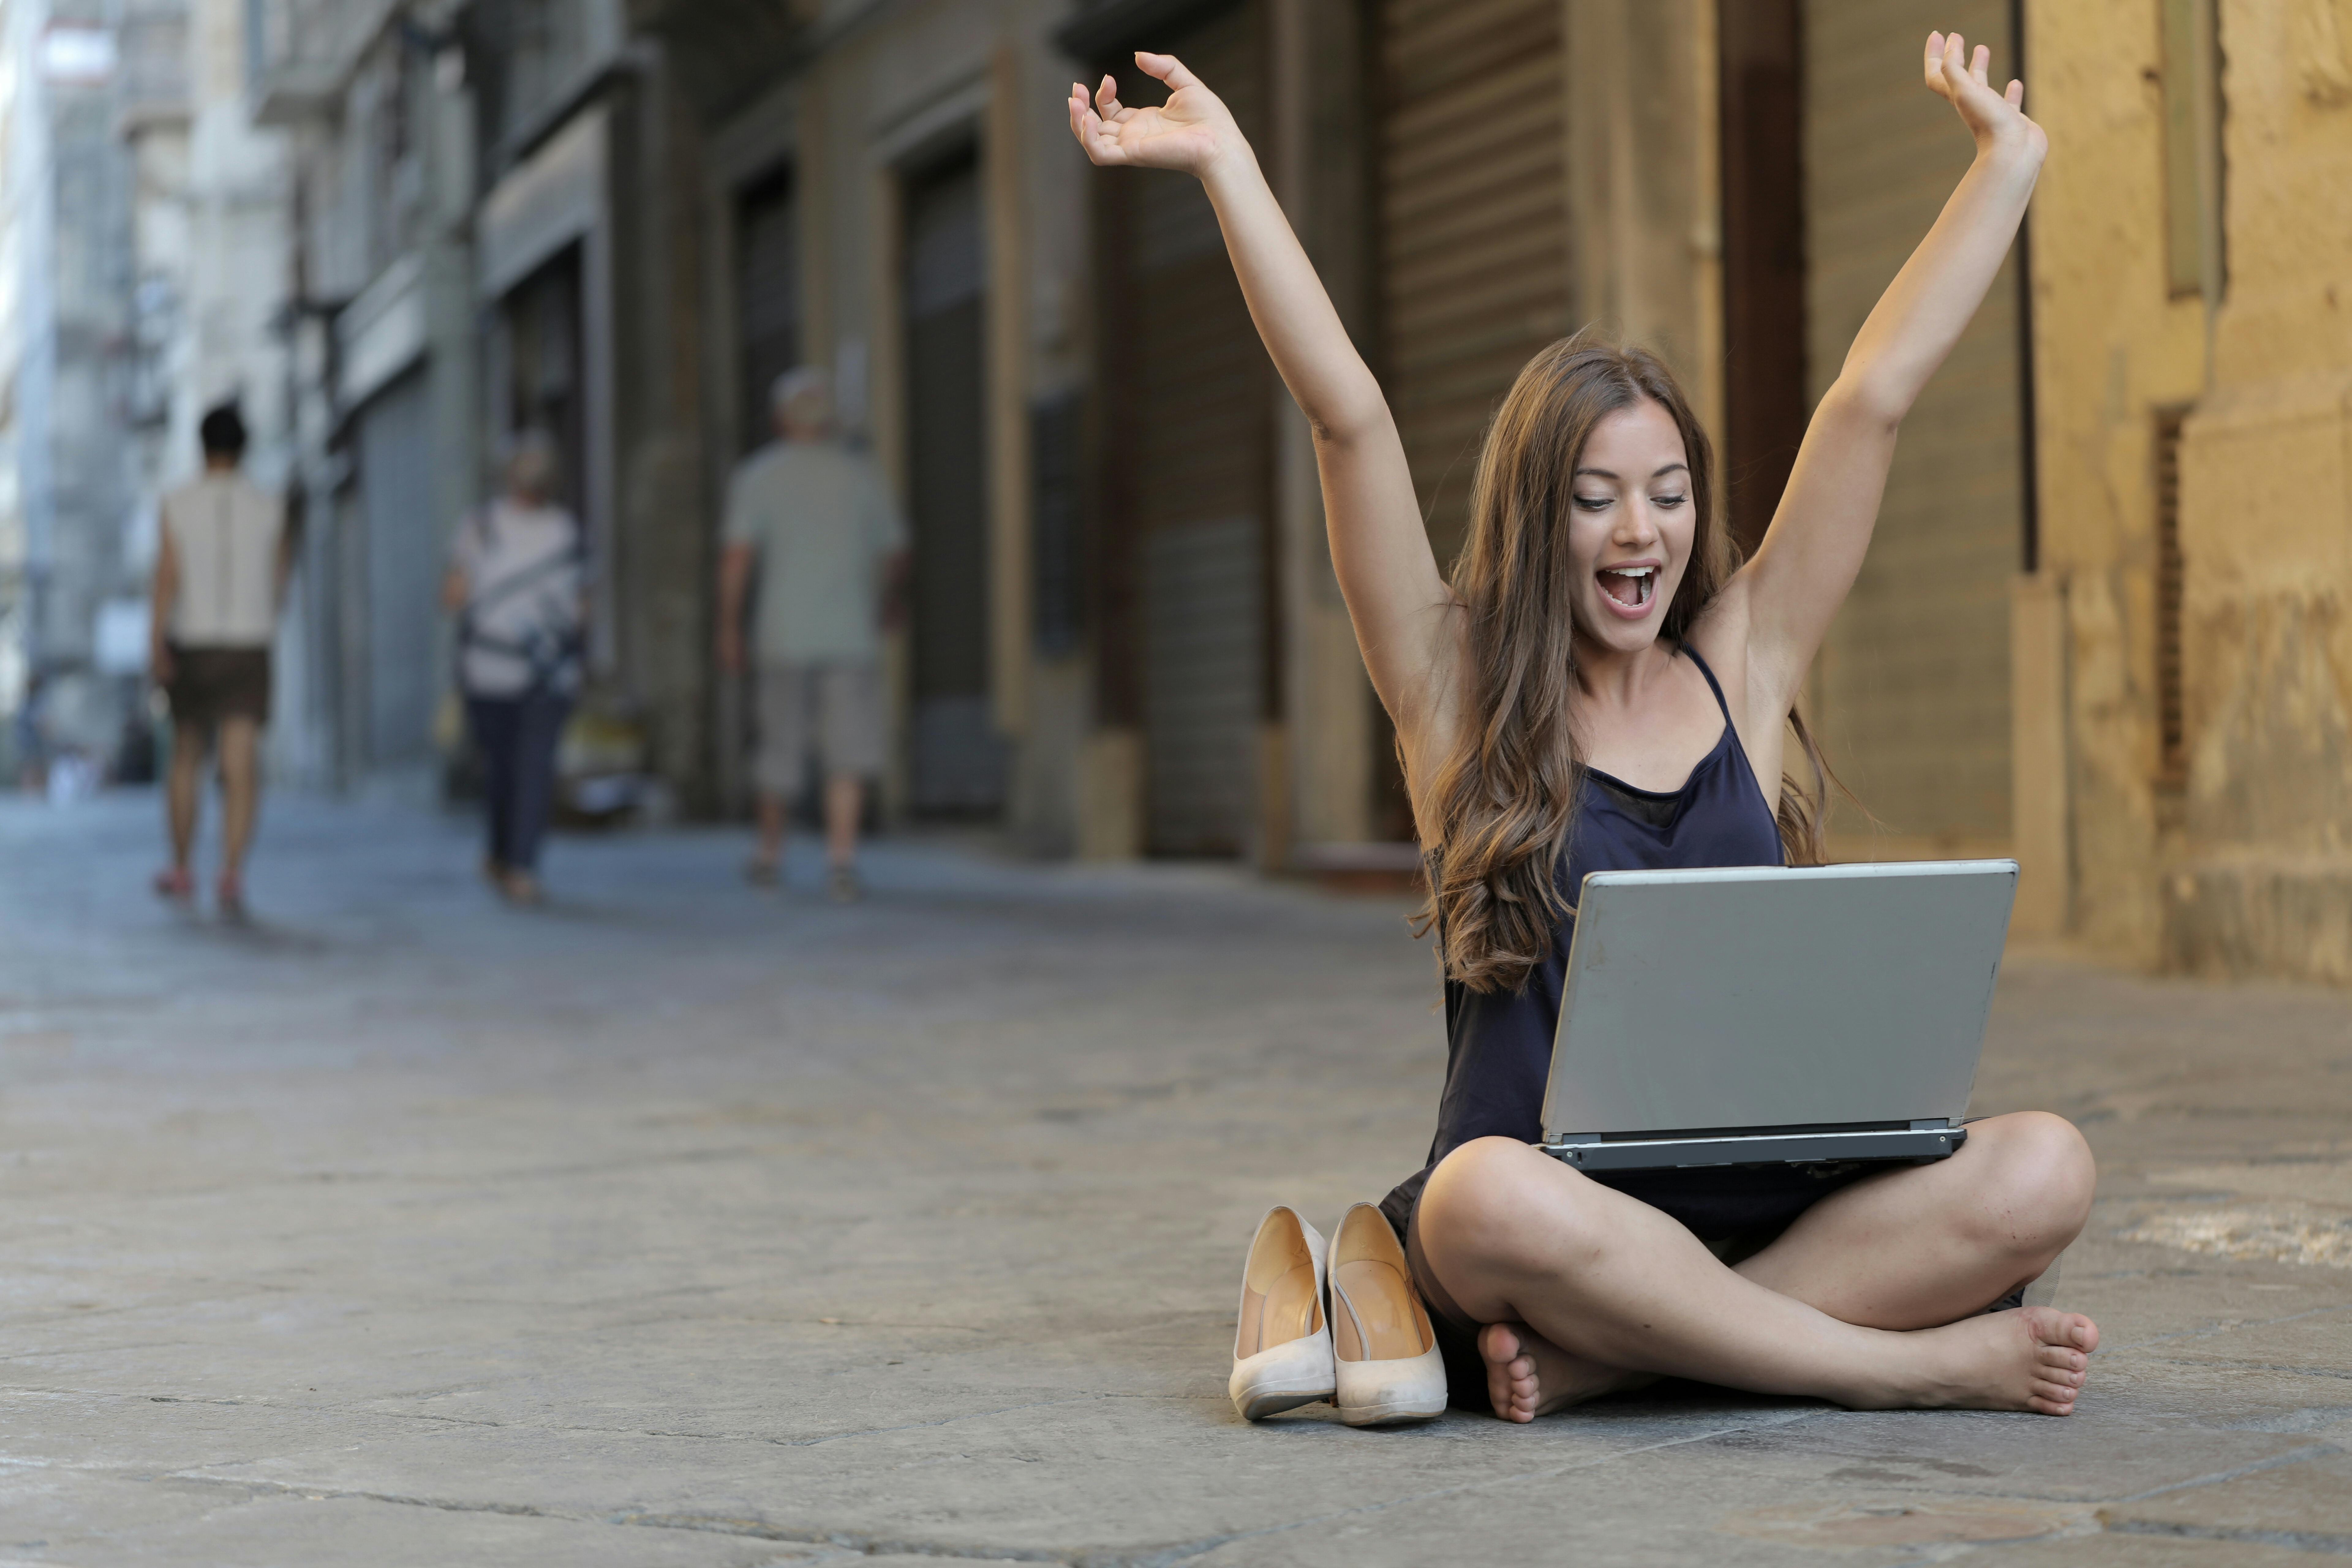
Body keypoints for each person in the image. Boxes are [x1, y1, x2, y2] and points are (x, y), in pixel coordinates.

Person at [1071, 33, 2101, 1421]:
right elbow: (1345, 418)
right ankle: (1891, 1362)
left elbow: (1869, 398)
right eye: (1596, 496)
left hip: (1767, 1205)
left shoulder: (1745, 664)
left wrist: (2006, 166)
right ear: (1534, 516)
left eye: (1668, 490)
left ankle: (1628, 1354)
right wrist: (1227, 167)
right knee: (1478, 1192)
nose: (1640, 532)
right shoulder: (1456, 694)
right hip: (1555, 1218)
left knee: (2046, 1162)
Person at [717, 368, 907, 902]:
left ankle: (770, 855)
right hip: (850, 632)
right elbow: (894, 554)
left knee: (779, 745)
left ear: (779, 420)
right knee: (848, 750)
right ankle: (841, 861)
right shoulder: (862, 474)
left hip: (782, 634)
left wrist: (729, 627)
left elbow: (736, 559)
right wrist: (888, 602)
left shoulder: (758, 476)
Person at [150, 401, 292, 919]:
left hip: (195, 641)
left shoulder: (177, 502)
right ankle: (232, 872)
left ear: (202, 444)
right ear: (244, 446)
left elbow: (166, 578)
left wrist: (154, 642)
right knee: (240, 759)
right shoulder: (270, 505)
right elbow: (279, 581)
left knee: (187, 754)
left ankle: (182, 866)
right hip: (250, 641)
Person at [443, 431, 586, 907]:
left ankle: (506, 858)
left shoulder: (479, 525)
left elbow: (454, 597)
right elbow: (583, 606)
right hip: (550, 670)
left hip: (488, 668)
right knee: (534, 768)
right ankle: (517, 864)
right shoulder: (567, 528)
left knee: (502, 768)